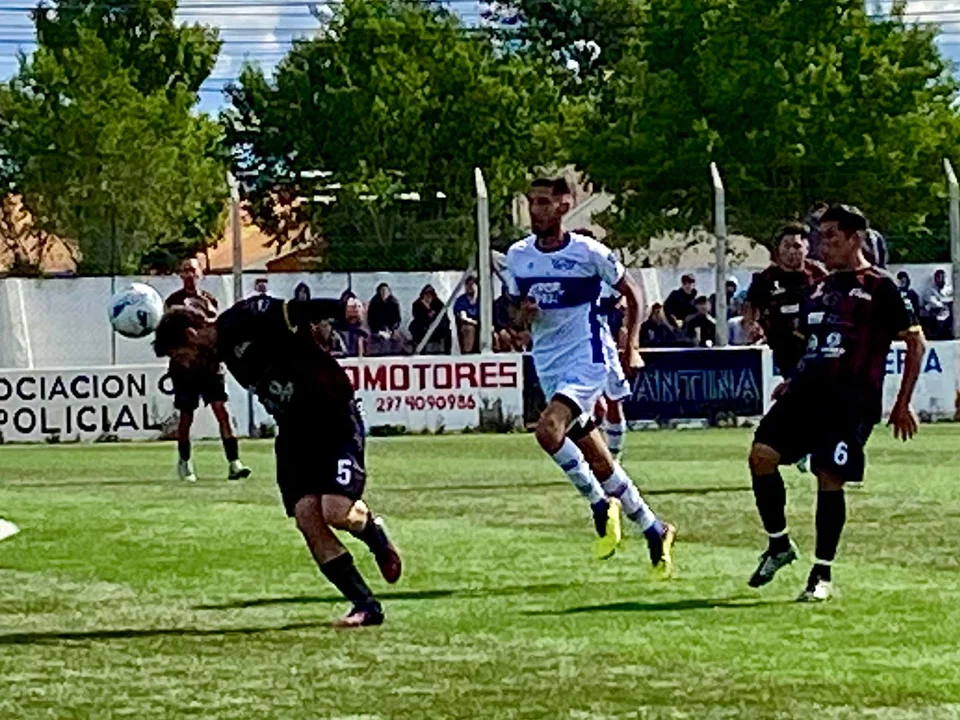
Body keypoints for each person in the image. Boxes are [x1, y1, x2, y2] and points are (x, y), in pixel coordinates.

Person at [153, 294, 402, 628]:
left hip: (332, 415)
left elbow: (296, 310)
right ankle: (365, 605)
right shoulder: (221, 353)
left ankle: (374, 533)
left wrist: (339, 308)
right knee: (307, 518)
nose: (182, 364)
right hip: (294, 432)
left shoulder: (243, 317)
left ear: (190, 335)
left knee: (335, 511)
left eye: (180, 356)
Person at [747, 205, 924, 602]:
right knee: (761, 456)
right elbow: (816, 342)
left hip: (850, 400)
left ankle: (821, 573)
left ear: (855, 239)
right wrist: (792, 380)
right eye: (820, 236)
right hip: (806, 392)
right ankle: (779, 545)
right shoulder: (820, 288)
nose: (821, 245)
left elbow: (916, 341)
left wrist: (902, 403)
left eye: (831, 237)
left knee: (828, 474)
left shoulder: (881, 287)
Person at [505, 177, 675, 570]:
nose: (536, 210)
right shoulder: (518, 255)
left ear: (565, 206)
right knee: (600, 462)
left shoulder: (588, 251)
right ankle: (654, 529)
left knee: (547, 431)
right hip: (548, 362)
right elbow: (515, 315)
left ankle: (600, 507)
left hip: (587, 359)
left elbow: (631, 291)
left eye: (545, 202)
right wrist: (523, 315)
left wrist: (630, 345)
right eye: (532, 202)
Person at [164, 258, 250, 483]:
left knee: (222, 412)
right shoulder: (174, 301)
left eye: (192, 270)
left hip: (210, 366)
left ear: (201, 273)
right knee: (186, 417)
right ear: (180, 275)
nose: (189, 274)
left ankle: (234, 462)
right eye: (184, 270)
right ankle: (185, 462)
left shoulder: (210, 300)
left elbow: (216, 328)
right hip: (186, 368)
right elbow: (169, 333)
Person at [744, 224, 827, 376]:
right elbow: (750, 307)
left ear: (806, 249)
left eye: (797, 246)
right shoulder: (765, 279)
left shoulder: (819, 274)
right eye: (786, 246)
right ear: (778, 250)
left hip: (816, 347)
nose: (791, 252)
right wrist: (752, 326)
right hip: (782, 349)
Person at [409, 285, 451, 354]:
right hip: (423, 328)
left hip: (437, 329)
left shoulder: (439, 304)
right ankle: (421, 352)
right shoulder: (417, 304)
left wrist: (431, 311)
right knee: (416, 328)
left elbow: (444, 318)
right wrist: (427, 310)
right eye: (426, 295)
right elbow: (417, 318)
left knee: (448, 332)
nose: (428, 297)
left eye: (430, 295)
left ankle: (447, 353)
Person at [922, 268, 953, 340]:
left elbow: (951, 300)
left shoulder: (949, 289)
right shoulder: (931, 289)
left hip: (946, 315)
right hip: (934, 314)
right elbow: (929, 300)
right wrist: (941, 303)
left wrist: (941, 301)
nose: (938, 280)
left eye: (940, 277)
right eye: (936, 278)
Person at [453, 275, 481, 354]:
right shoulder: (461, 300)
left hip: (481, 325)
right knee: (469, 329)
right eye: (468, 285)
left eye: (472, 285)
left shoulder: (481, 299)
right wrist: (473, 322)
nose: (470, 287)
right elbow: (463, 316)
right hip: (468, 324)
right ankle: (468, 353)